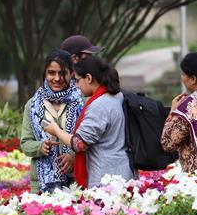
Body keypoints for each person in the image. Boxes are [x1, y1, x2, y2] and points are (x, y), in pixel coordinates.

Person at [43, 56, 133, 188]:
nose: (77, 85)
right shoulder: (117, 96)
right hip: (124, 173)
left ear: (89, 78)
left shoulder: (100, 105)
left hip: (107, 181)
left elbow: (79, 144)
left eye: (78, 80)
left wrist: (56, 130)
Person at [20, 50, 84, 192]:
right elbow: (25, 143)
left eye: (62, 73)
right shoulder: (33, 105)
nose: (57, 78)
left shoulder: (81, 102)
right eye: (51, 73)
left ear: (71, 73)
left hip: (76, 182)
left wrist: (73, 157)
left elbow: (90, 140)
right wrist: (40, 147)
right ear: (44, 73)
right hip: (41, 186)